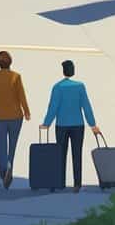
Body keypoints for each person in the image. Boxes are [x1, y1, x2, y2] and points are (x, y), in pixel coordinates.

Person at [41, 59, 100, 192]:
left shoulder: (57, 87)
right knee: (77, 154)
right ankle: (77, 184)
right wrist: (92, 124)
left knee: (60, 154)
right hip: (78, 125)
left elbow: (53, 107)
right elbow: (86, 106)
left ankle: (60, 182)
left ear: (63, 71)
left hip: (61, 125)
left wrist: (47, 123)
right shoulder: (80, 86)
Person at [0, 50, 31, 188]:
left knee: (0, 146)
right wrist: (26, 111)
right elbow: (21, 95)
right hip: (16, 116)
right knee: (12, 145)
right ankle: (10, 164)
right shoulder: (16, 77)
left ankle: (3, 171)